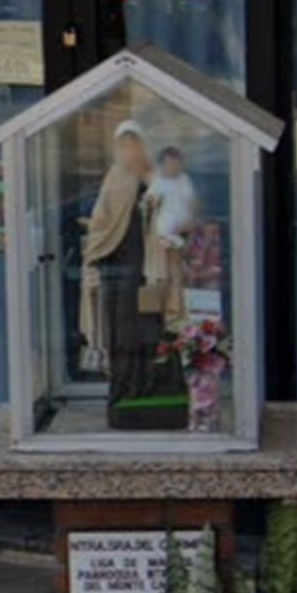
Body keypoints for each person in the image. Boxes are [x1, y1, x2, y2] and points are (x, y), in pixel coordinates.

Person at [80, 120, 186, 429]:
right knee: (123, 332)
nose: (130, 151)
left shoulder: (156, 177)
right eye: (124, 145)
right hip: (121, 270)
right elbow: (102, 221)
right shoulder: (114, 178)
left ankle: (154, 382)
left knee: (152, 328)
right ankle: (126, 387)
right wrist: (98, 250)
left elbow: (175, 213)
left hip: (152, 269)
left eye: (134, 144)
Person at [143, 145, 198, 326]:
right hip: (158, 240)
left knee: (175, 277)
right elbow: (147, 207)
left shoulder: (184, 181)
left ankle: (176, 314)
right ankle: (161, 316)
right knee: (159, 278)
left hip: (178, 238)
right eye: (169, 164)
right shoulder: (157, 182)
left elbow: (191, 208)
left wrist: (185, 230)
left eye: (176, 163)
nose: (173, 167)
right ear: (162, 164)